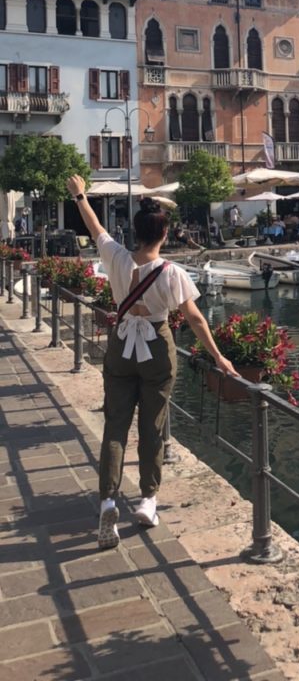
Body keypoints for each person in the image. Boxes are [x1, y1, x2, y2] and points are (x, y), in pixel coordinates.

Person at [66, 175, 238, 550]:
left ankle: (108, 500)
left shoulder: (115, 257)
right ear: (165, 234)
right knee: (152, 426)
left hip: (120, 344)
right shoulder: (171, 273)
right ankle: (147, 500)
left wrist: (79, 195)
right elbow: (195, 319)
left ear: (136, 232)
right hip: (157, 348)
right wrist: (219, 357)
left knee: (115, 426)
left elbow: (94, 226)